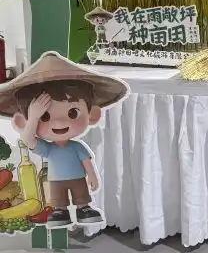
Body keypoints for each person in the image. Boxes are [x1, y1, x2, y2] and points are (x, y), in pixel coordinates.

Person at [1, 52, 129, 228]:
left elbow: (87, 162)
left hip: (78, 179)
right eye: (45, 117)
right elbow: (28, 140)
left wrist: (92, 176)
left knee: (81, 195)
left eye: (73, 113)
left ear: (92, 115)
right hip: (56, 182)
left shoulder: (77, 147)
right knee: (58, 199)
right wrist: (34, 118)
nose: (60, 123)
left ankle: (83, 208)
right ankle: (60, 211)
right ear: (22, 122)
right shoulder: (48, 149)